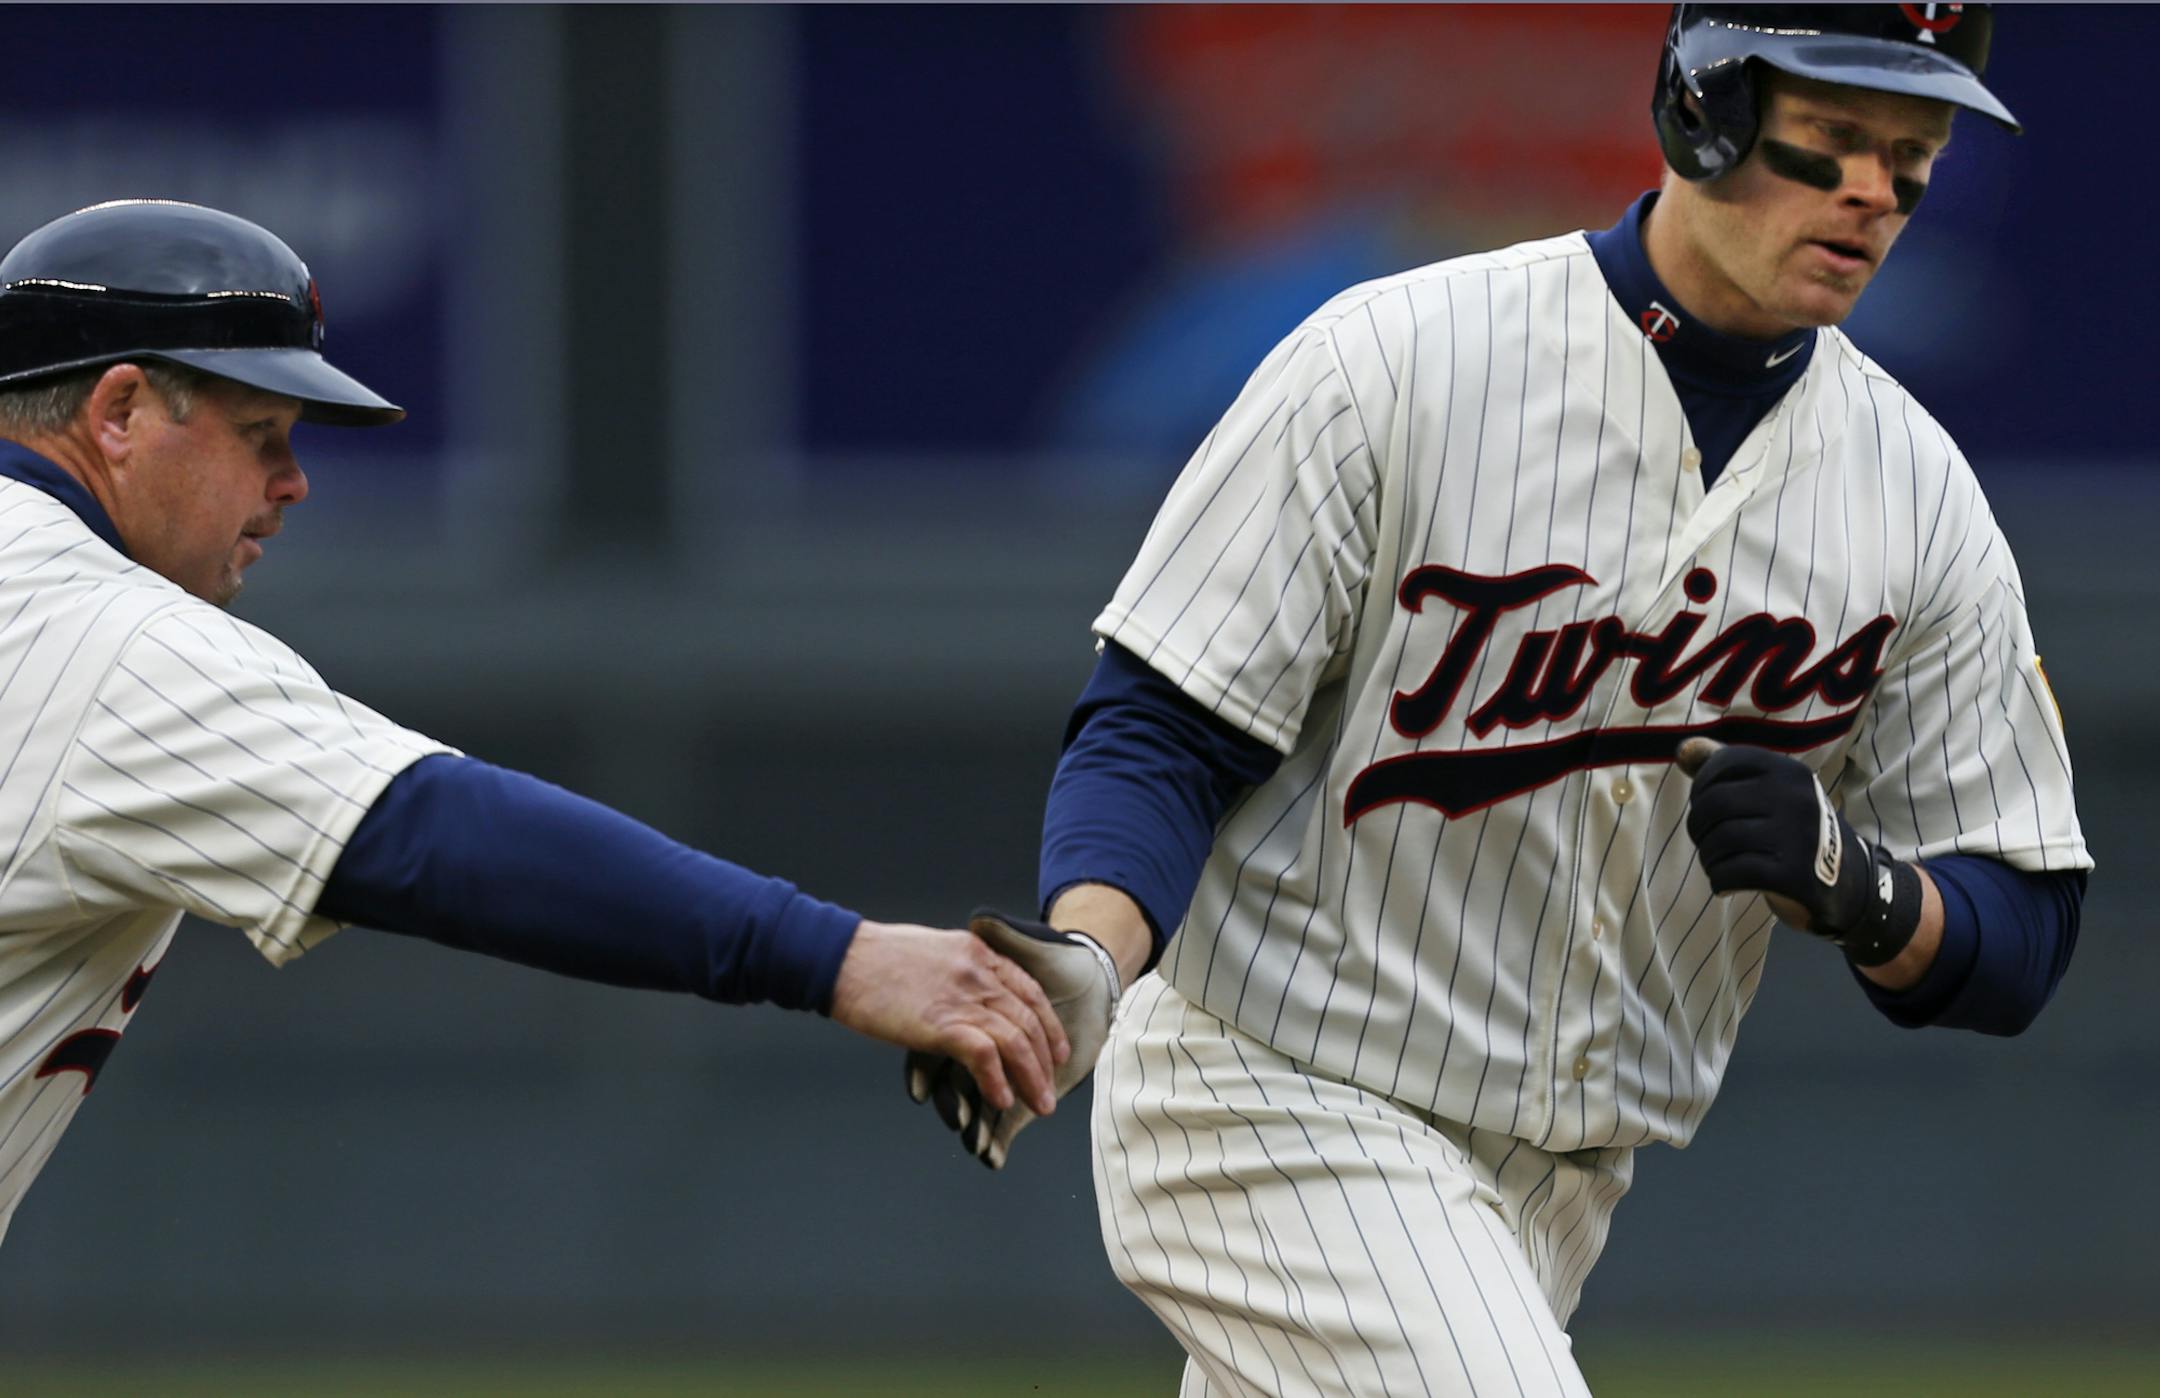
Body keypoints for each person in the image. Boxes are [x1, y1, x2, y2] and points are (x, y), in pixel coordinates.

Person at [906, 6, 2090, 1393]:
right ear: (1702, 111)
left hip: (1553, 1189)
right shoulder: (1398, 360)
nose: (1873, 193)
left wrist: (1862, 887)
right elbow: (1162, 725)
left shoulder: (1917, 495)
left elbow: (2023, 920)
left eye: (1913, 155)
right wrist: (1091, 954)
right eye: (1833, 140)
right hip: (1273, 1099)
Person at [0, 198, 1070, 1249]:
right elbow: (435, 834)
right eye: (259, 431)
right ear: (121, 412)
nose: (292, 482)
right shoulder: (104, 639)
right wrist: (843, 956)